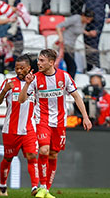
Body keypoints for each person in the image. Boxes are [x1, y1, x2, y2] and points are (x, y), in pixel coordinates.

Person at [19, 49, 93, 198]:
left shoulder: (64, 77)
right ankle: (42, 186)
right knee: (44, 150)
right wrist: (26, 85)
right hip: (42, 120)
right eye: (38, 60)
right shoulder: (34, 79)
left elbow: (77, 97)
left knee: (53, 154)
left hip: (59, 123)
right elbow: (21, 100)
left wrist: (85, 117)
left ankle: (45, 189)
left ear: (51, 62)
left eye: (42, 61)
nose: (38, 63)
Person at [0, 55, 39, 197]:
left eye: (22, 68)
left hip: (29, 128)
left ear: (29, 68)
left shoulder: (36, 83)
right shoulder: (9, 82)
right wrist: (4, 90)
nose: (19, 71)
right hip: (11, 129)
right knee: (8, 158)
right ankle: (2, 186)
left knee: (32, 156)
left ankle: (34, 188)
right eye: (16, 68)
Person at [75, 0, 110, 70]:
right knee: (86, 45)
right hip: (86, 21)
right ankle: (89, 67)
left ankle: (97, 66)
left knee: (94, 44)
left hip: (98, 21)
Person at [56, 10, 95, 78]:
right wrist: (60, 37)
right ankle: (70, 84)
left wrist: (88, 33)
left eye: (90, 20)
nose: (88, 21)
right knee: (72, 66)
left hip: (71, 47)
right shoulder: (75, 18)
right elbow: (58, 26)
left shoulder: (84, 22)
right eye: (87, 19)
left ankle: (68, 83)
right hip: (64, 45)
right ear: (83, 16)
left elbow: (78, 29)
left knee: (70, 66)